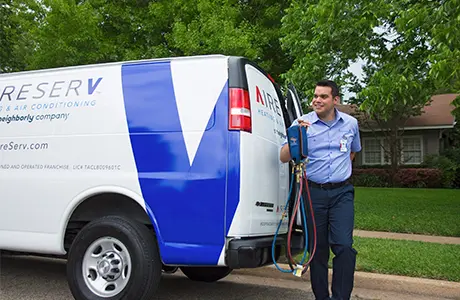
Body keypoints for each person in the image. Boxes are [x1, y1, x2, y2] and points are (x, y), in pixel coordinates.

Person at [280, 80, 361, 300]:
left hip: (342, 193)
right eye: (315, 96)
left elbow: (352, 153)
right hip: (312, 192)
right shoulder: (302, 122)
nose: (317, 100)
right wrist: (298, 136)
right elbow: (284, 157)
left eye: (323, 96)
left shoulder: (350, 124)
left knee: (344, 246)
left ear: (336, 100)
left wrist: (338, 173)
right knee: (318, 249)